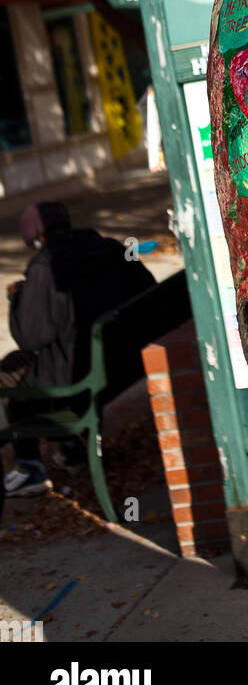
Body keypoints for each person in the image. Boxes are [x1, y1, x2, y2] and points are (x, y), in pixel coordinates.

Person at [1, 201, 155, 497]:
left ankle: (30, 465)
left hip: (80, 375)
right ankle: (71, 449)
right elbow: (147, 288)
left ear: (35, 237)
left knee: (10, 371)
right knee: (50, 360)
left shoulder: (45, 265)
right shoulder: (110, 247)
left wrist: (17, 298)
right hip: (126, 364)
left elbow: (31, 337)